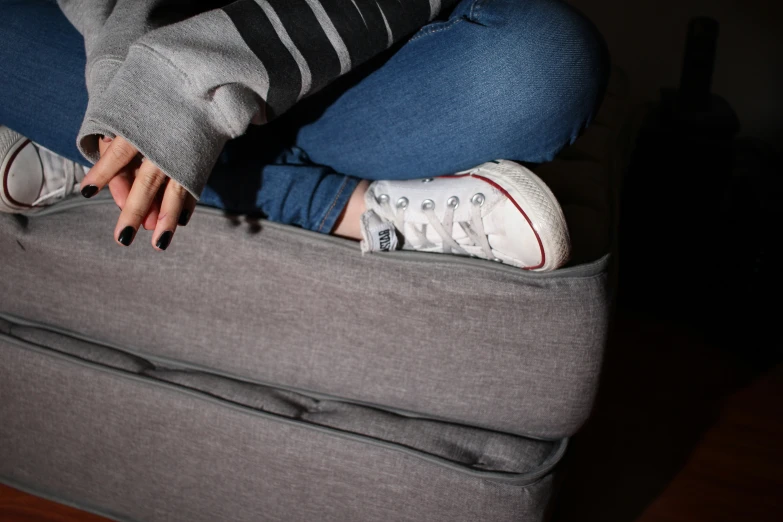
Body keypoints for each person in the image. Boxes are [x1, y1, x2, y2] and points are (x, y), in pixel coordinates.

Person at [0, 0, 609, 271]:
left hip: (354, 69)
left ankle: (107, 151)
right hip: (138, 40)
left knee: (547, 64)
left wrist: (186, 84)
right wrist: (126, 87)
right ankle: (357, 208)